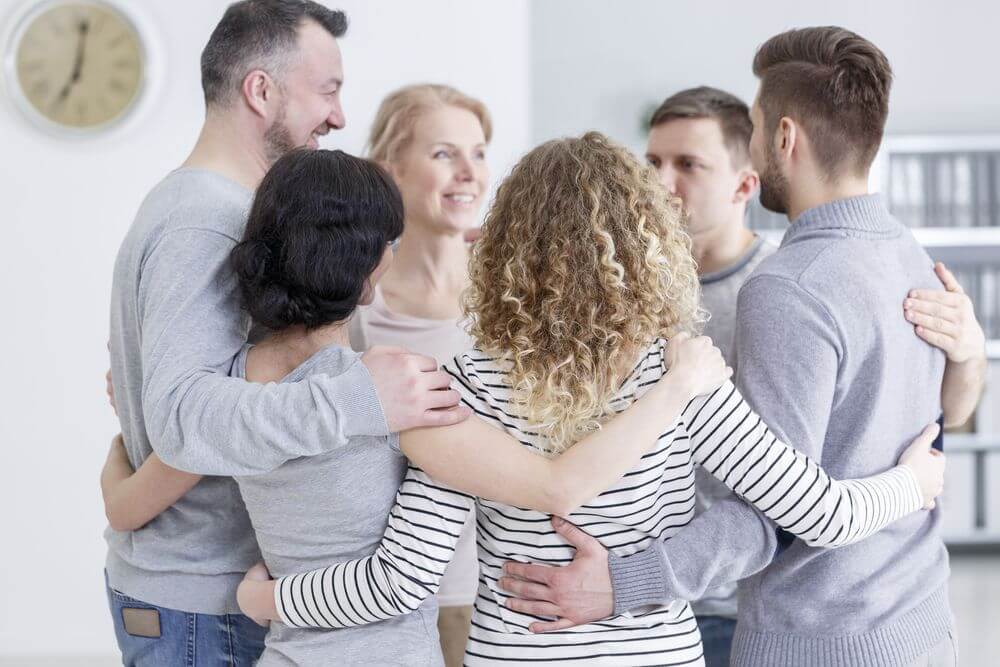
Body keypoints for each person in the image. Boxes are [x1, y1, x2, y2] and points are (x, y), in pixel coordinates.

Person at [234, 132, 946, 666]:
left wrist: (273, 599)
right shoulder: (683, 376)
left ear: (509, 247)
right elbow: (819, 512)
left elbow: (401, 578)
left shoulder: (462, 385)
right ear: (647, 245)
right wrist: (912, 483)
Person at [103, 144, 737, 663]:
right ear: (374, 267)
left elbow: (127, 505)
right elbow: (546, 489)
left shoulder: (228, 397)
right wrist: (675, 389)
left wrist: (122, 439)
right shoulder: (403, 391)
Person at [501, 28, 989, 667]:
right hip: (919, 622)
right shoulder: (908, 255)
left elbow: (776, 511)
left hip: (819, 639)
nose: (757, 148)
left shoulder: (787, 286)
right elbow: (928, 434)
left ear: (784, 138)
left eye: (757, 126)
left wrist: (621, 581)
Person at [103, 2, 465, 663]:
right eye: (328, 89)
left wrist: (122, 485)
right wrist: (361, 399)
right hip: (210, 599)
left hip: (239, 590)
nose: (339, 116)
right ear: (261, 90)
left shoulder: (237, 217)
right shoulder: (204, 224)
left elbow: (184, 396)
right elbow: (185, 415)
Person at [345, 83, 491, 667]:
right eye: (443, 154)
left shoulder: (518, 296)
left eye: (478, 153)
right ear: (390, 170)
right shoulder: (355, 308)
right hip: (394, 600)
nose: (469, 173)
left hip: (511, 595)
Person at [644, 85, 775, 666]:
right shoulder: (629, 286)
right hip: (634, 597)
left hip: (733, 610)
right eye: (653, 162)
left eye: (688, 165)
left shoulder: (777, 292)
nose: (660, 182)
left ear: (744, 185)